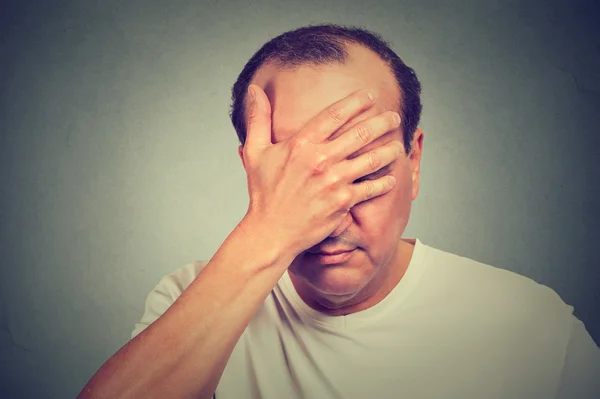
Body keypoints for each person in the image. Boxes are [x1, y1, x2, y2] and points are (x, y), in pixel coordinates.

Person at [78, 24, 600, 399]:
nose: (329, 212)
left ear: (413, 161)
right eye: (296, 174)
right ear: (252, 171)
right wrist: (267, 234)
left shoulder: (530, 329)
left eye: (360, 168)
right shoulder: (188, 304)